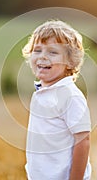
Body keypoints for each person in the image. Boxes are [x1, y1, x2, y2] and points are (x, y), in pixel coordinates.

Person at [22, 20, 91, 180]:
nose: (43, 57)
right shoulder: (41, 93)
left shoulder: (70, 95)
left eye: (52, 52)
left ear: (69, 61)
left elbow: (83, 141)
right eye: (37, 50)